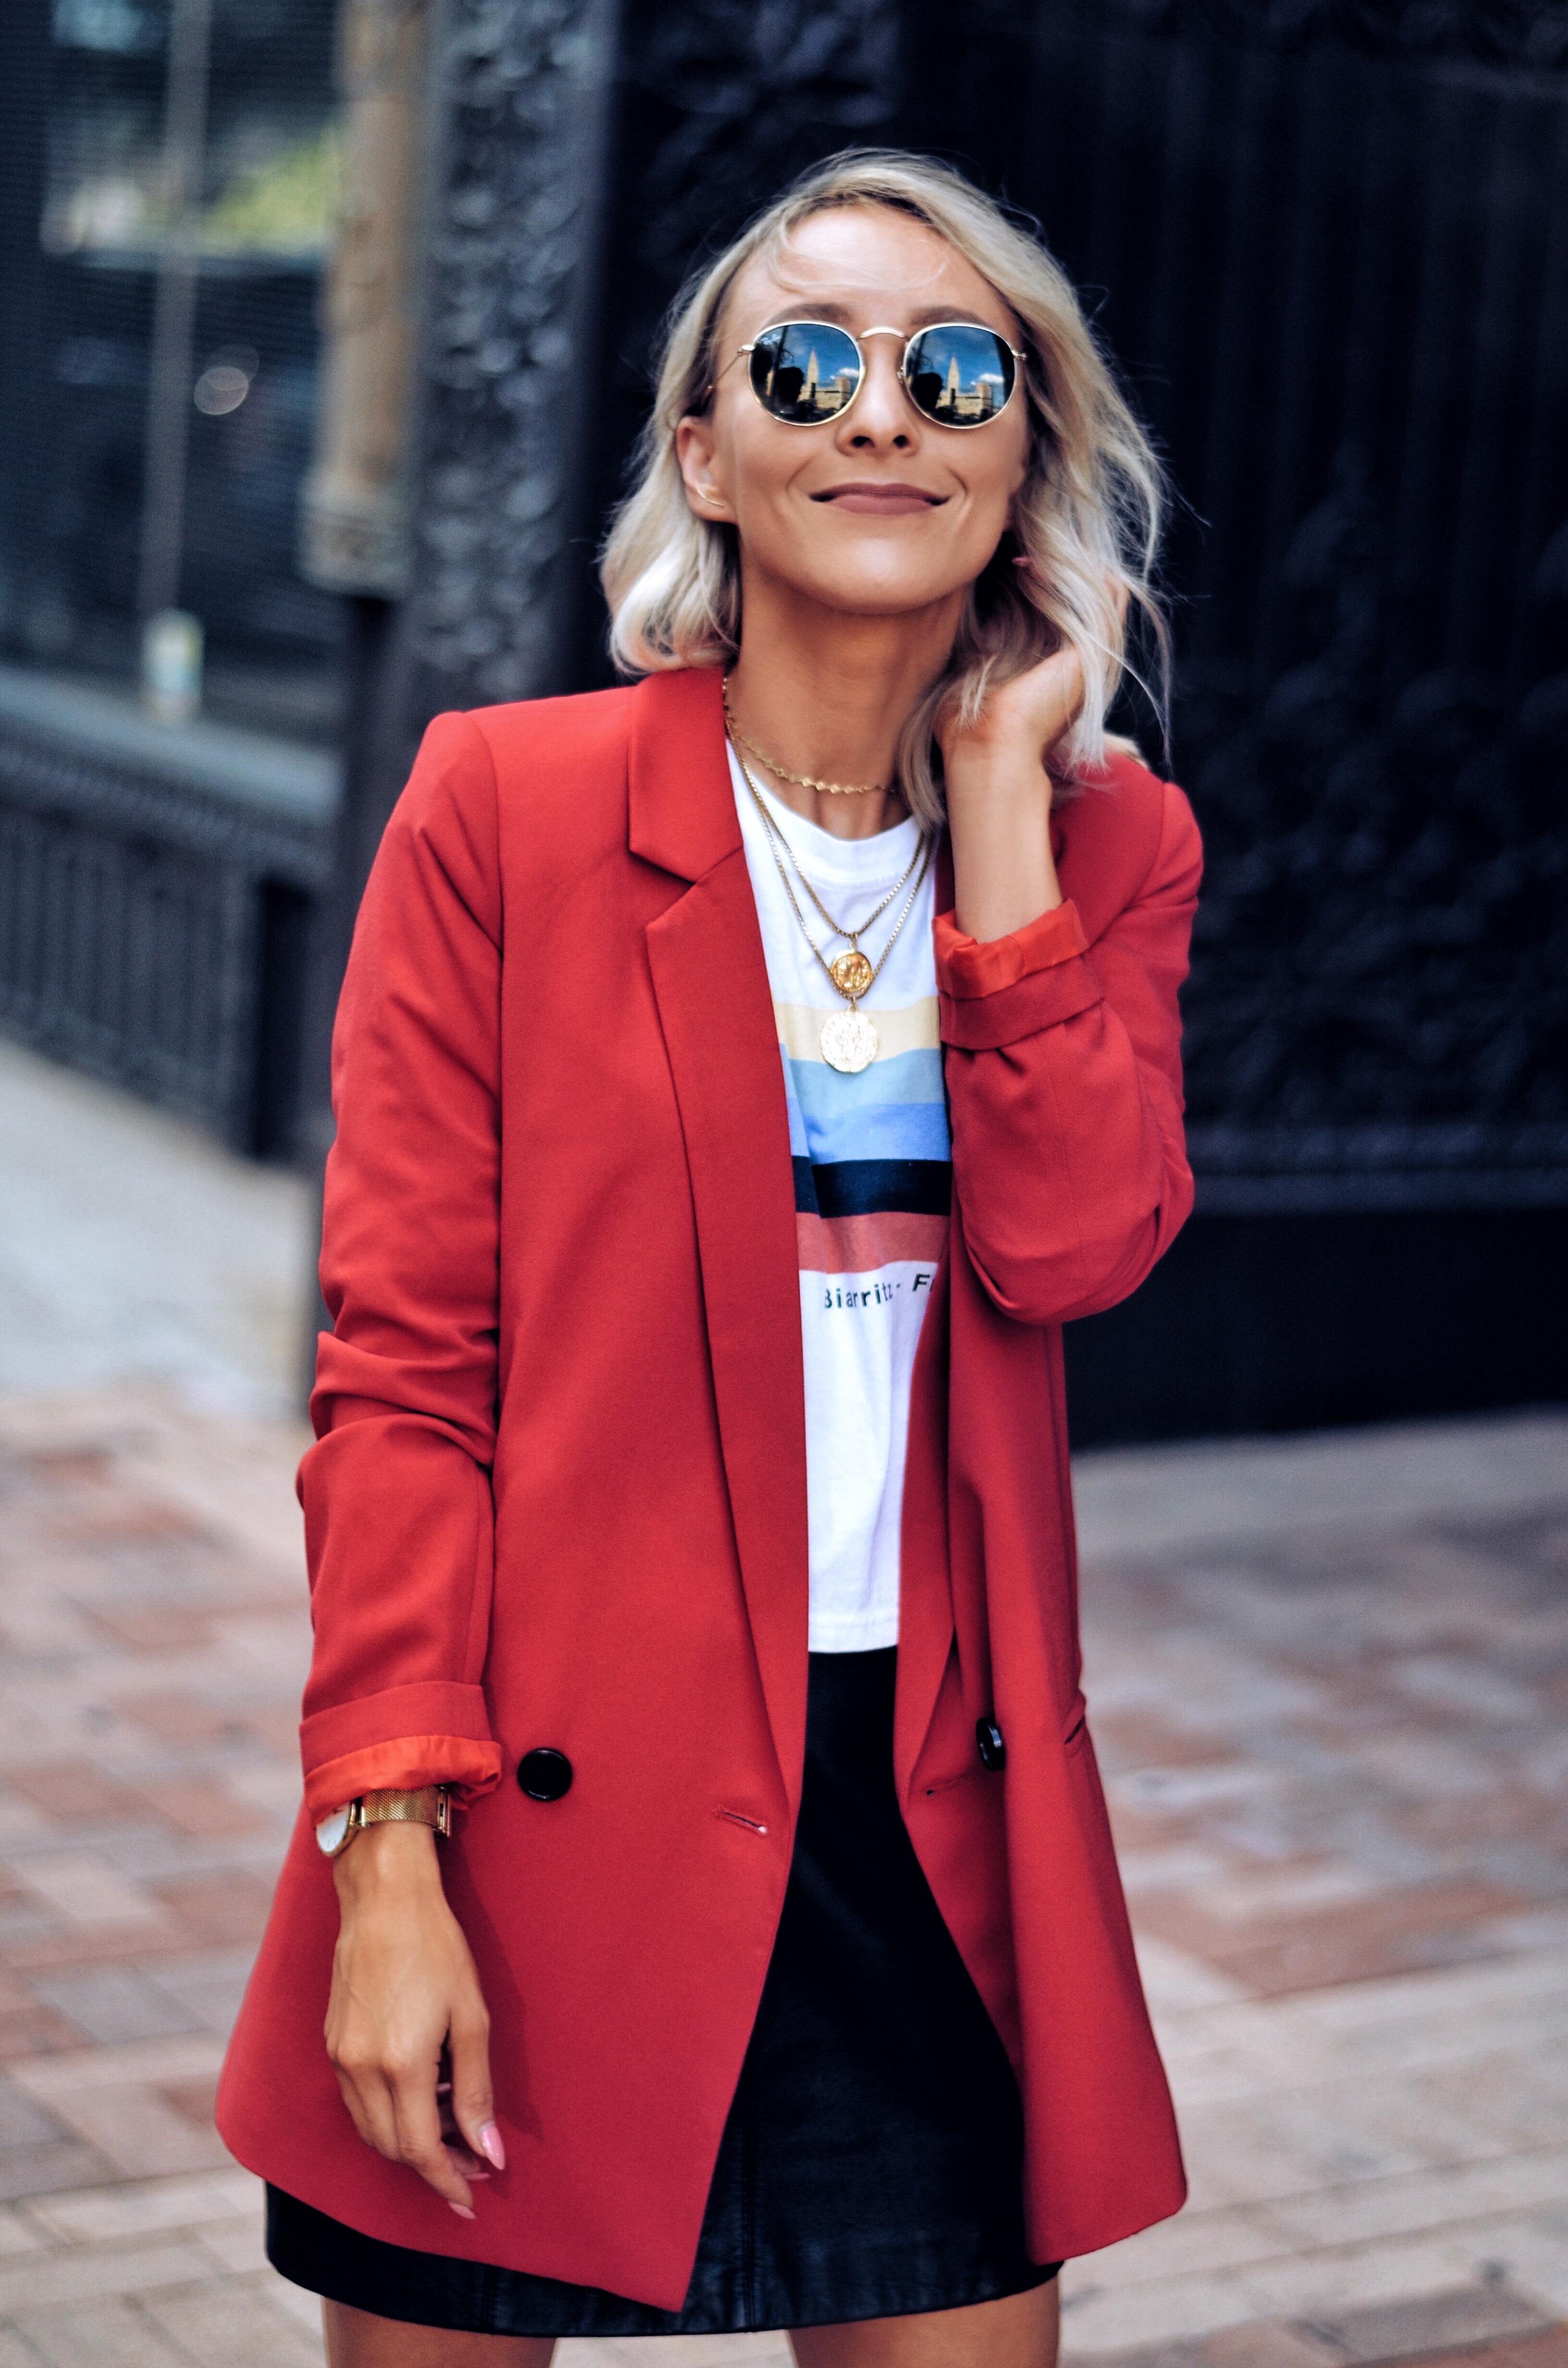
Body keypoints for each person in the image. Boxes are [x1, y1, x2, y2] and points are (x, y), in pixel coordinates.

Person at [217, 147, 1200, 2368]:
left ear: (1023, 449)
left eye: (957, 371)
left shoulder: (1113, 848)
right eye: (808, 362)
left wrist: (1011, 825)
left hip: (927, 1826)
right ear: (707, 453)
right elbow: (402, 1375)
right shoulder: (506, 810)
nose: (885, 415)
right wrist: (389, 1852)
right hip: (541, 1798)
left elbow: (1066, 1254)